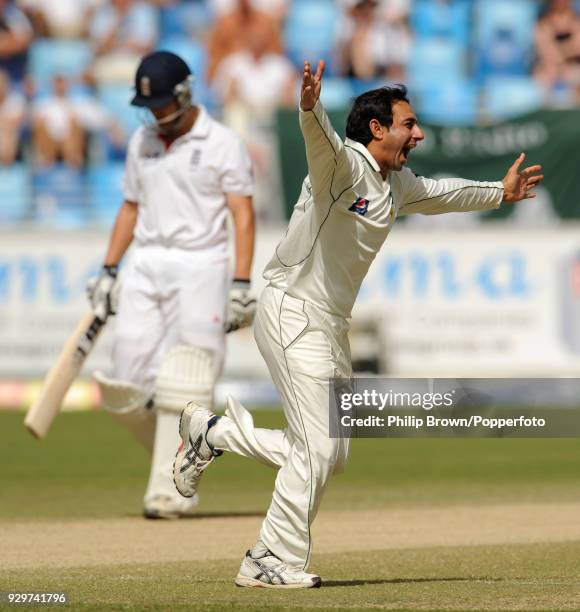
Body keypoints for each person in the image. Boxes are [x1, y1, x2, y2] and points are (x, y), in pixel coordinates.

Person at [173, 60, 544, 587]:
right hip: (289, 309)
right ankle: (268, 559)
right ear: (378, 128)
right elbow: (319, 136)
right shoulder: (341, 166)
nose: (418, 133)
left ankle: (214, 433)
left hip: (328, 323)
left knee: (330, 453)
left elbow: (443, 193)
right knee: (318, 450)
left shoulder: (398, 185)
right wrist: (308, 105)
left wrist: (498, 192)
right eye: (408, 124)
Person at [86, 50, 256, 520]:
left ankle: (168, 490)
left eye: (162, 103)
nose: (156, 113)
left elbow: (242, 213)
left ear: (185, 93)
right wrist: (108, 269)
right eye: (150, 105)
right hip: (147, 262)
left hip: (202, 263)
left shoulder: (221, 142)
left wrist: (241, 282)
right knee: (124, 386)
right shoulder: (143, 140)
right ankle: (189, 452)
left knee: (187, 378)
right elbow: (130, 207)